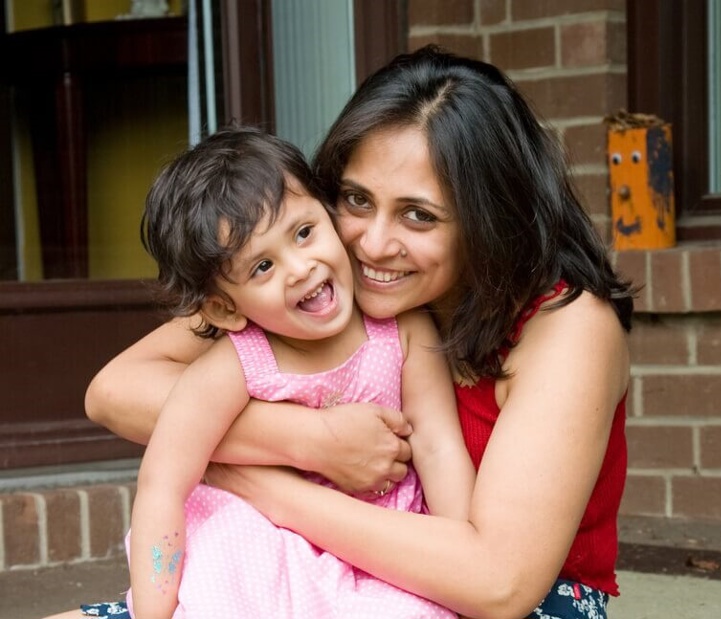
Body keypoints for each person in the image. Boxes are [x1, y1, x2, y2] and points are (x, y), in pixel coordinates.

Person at [61, 45, 635, 619]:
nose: (373, 243)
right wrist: (311, 438)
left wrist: (263, 484)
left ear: (491, 218)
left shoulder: (569, 328)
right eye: (357, 199)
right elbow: (115, 393)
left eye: (419, 215)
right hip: (304, 572)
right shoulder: (313, 285)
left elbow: (498, 584)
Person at [111, 125, 474, 619]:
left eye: (304, 233)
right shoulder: (235, 366)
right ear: (222, 310)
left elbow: (436, 443)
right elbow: (162, 484)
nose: (300, 267)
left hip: (383, 545)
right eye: (262, 267)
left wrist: (462, 549)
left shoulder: (401, 329)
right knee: (223, 567)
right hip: (270, 545)